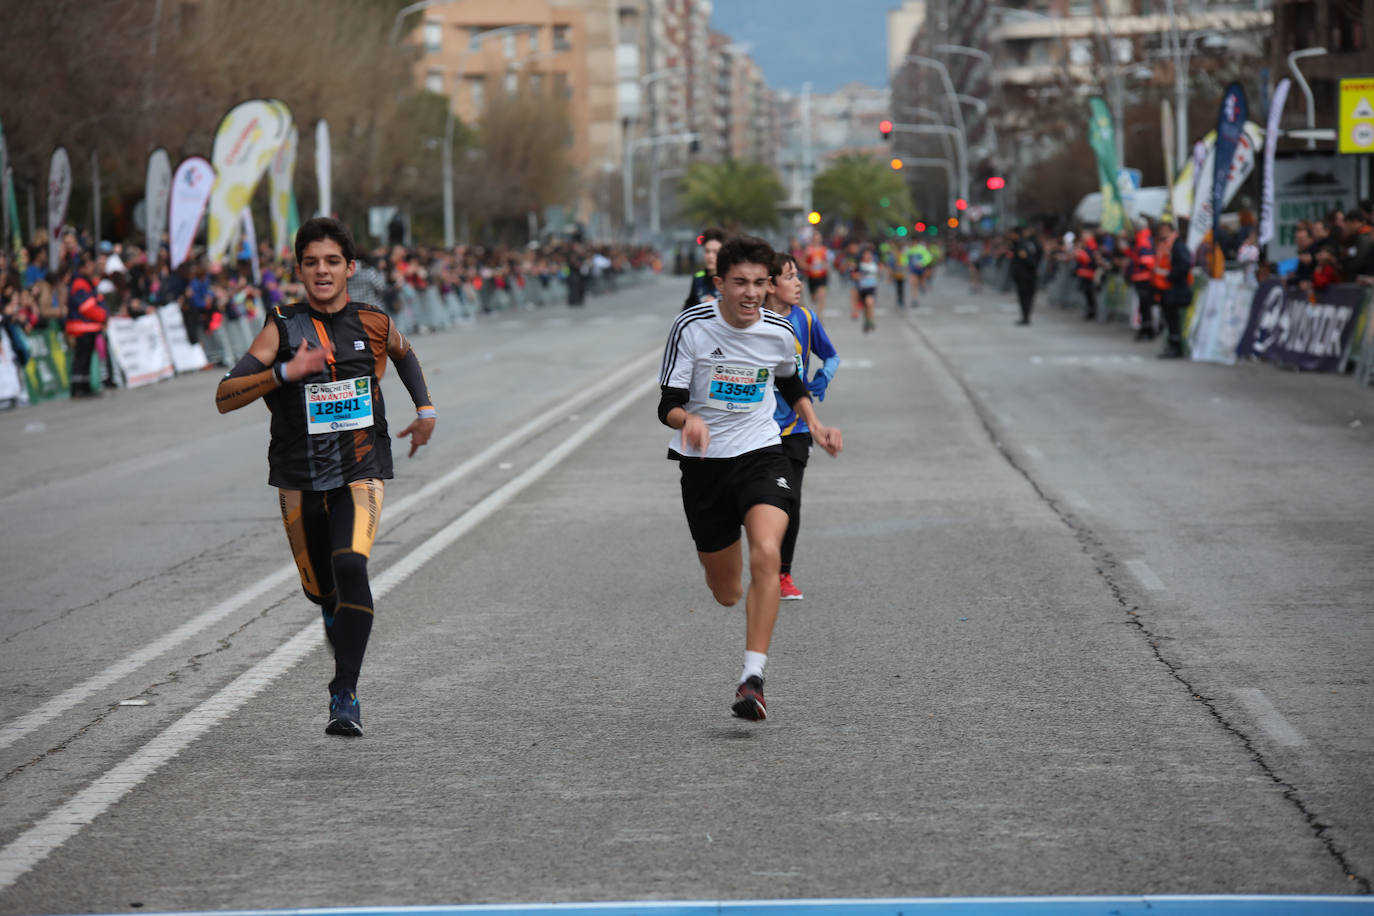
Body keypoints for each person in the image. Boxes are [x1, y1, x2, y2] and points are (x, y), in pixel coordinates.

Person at [213, 217, 437, 737]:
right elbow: (224, 397)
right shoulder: (282, 327)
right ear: (298, 269)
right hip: (299, 477)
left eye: (332, 261)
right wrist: (282, 374)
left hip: (361, 468)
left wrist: (425, 410)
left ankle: (345, 693)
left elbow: (405, 355)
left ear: (349, 268)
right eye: (311, 262)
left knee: (351, 564)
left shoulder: (374, 322)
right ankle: (335, 617)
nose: (322, 270)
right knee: (322, 590)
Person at [657, 235, 842, 721]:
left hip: (762, 453)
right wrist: (687, 420)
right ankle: (730, 586)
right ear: (720, 283)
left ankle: (752, 677)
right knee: (726, 591)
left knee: (767, 551)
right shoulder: (692, 327)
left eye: (760, 283)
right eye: (740, 282)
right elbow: (667, 404)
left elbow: (790, 381)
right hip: (703, 466)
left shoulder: (780, 331)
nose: (751, 293)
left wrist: (815, 425)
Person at [765, 251, 839, 602]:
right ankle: (760, 558)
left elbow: (832, 354)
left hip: (795, 428)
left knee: (790, 501)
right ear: (770, 285)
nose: (798, 283)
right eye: (790, 277)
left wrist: (824, 375)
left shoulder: (806, 319)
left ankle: (782, 573)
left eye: (798, 276)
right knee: (763, 502)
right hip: (756, 429)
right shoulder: (753, 324)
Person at [65, 252, 108, 398]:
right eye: (89, 265)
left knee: (87, 359)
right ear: (82, 268)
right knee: (81, 359)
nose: (92, 267)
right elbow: (86, 307)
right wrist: (103, 315)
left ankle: (85, 387)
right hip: (81, 328)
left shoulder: (88, 282)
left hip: (89, 328)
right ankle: (78, 389)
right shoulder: (79, 284)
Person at [1155, 219, 1192, 359]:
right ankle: (1173, 347)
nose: (1161, 232)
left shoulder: (1177, 245)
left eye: (1163, 229)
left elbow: (1184, 264)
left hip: (1174, 289)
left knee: (1174, 320)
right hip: (1167, 289)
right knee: (1170, 320)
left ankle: (1176, 349)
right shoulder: (1167, 244)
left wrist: (1170, 277)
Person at [682, 227, 726, 311]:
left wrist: (717, 305)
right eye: (707, 251)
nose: (710, 256)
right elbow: (687, 308)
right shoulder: (698, 278)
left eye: (715, 252)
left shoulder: (729, 279)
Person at [1128, 221, 1157, 340]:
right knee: (1144, 305)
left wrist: (1136, 263)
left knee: (1145, 305)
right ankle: (1146, 329)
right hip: (1142, 277)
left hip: (1144, 277)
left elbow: (1148, 260)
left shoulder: (1143, 239)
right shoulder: (1142, 238)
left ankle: (1147, 330)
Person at [1009, 225, 1041, 326]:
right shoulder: (1019, 244)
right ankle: (1025, 316)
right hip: (1023, 276)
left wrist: (1035, 268)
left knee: (1026, 297)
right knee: (1024, 297)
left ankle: (1026, 317)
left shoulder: (1023, 245)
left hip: (1026, 276)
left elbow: (1029, 260)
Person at [802, 231, 831, 318]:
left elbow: (827, 263)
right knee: (814, 299)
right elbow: (802, 262)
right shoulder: (808, 250)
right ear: (812, 239)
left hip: (822, 276)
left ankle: (819, 315)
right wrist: (808, 267)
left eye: (819, 238)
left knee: (822, 294)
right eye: (815, 238)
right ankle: (816, 308)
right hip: (812, 277)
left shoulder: (824, 250)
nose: (817, 240)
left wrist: (826, 267)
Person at [1073, 231, 1100, 320]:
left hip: (1090, 274)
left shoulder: (1092, 246)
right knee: (1086, 293)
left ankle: (1092, 311)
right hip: (1084, 273)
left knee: (1090, 294)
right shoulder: (1085, 245)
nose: (1083, 237)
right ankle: (1089, 311)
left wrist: (1082, 255)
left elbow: (1092, 260)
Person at [855, 246, 879, 333]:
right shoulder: (860, 265)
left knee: (870, 303)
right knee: (865, 307)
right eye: (866, 254)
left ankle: (871, 320)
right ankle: (867, 321)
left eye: (869, 254)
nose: (868, 256)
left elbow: (879, 274)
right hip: (862, 289)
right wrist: (859, 276)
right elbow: (854, 275)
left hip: (871, 289)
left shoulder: (875, 265)